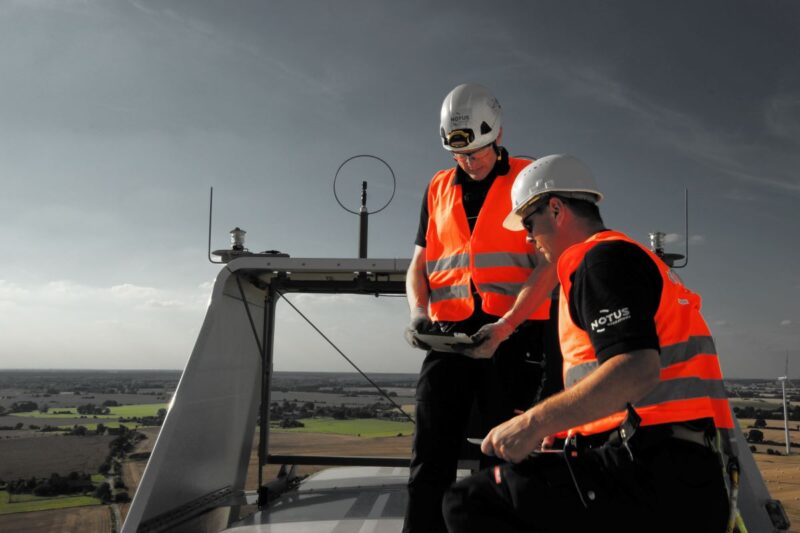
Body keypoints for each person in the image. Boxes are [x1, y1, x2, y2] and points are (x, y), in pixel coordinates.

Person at [443, 154, 735, 533]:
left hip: (651, 472)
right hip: (684, 474)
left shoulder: (600, 262)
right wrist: (566, 429)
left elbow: (635, 368)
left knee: (468, 503)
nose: (528, 239)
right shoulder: (623, 259)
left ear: (556, 209)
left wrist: (534, 423)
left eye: (530, 224)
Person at [403, 84, 563, 533]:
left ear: (497, 136)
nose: (468, 161)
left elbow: (548, 264)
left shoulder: (529, 178)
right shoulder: (437, 187)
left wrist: (505, 326)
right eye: (459, 154)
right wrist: (418, 313)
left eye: (476, 151)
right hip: (449, 338)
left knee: (510, 459)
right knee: (429, 457)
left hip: (515, 339)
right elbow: (420, 263)